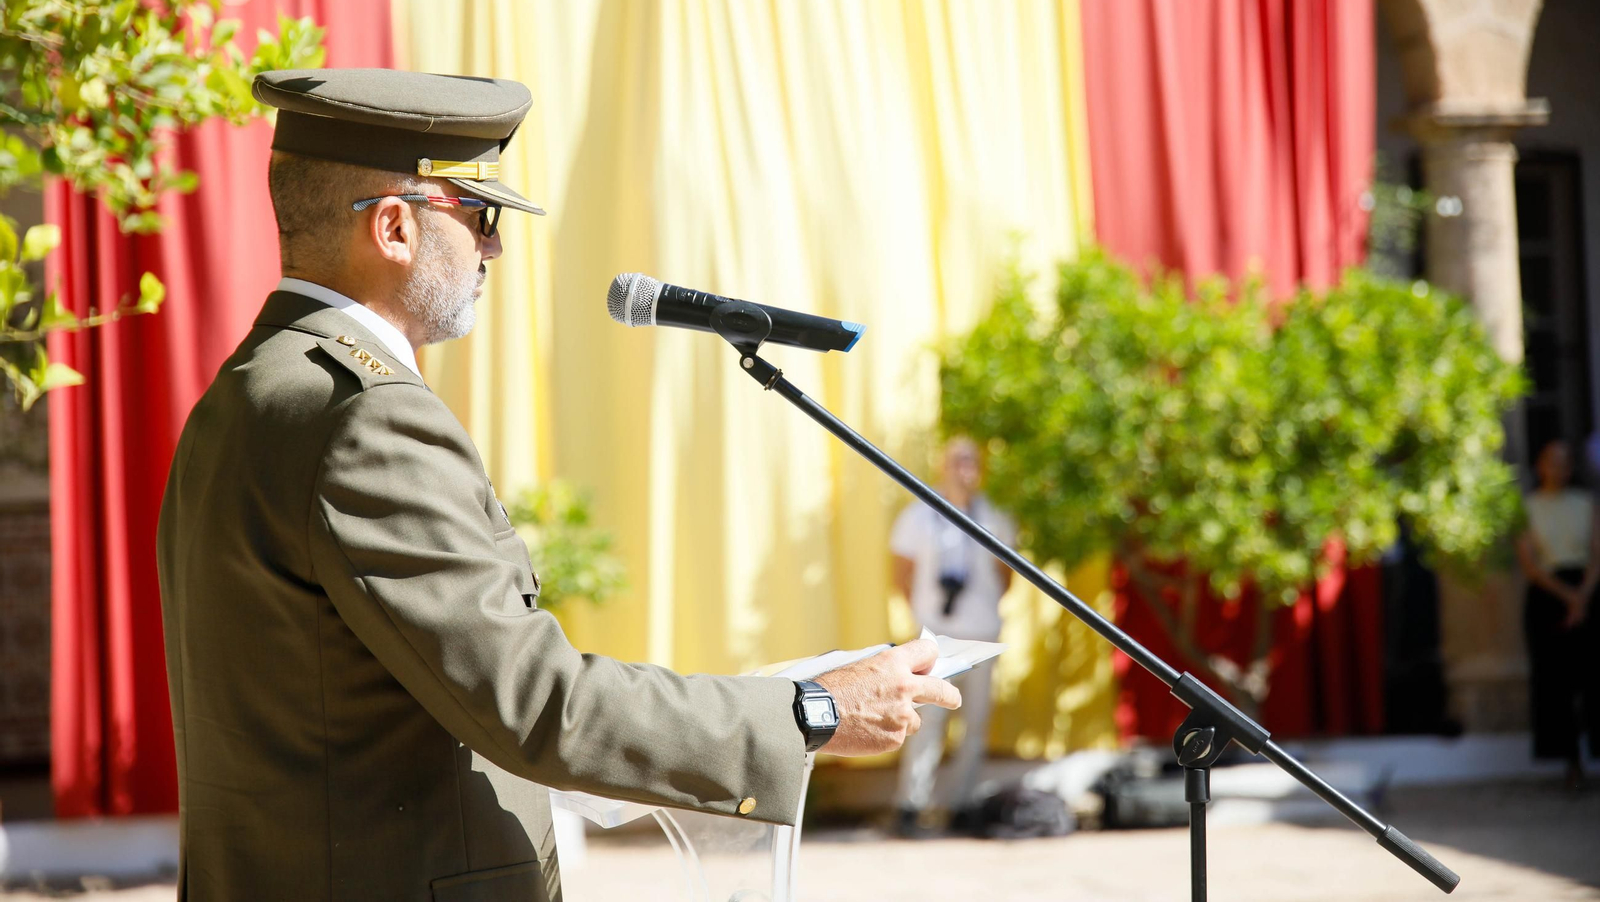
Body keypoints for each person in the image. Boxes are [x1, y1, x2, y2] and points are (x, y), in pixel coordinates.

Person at [155, 68, 961, 901]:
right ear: (394, 227)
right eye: (480, 214)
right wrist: (808, 713)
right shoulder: (367, 419)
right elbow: (538, 705)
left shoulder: (251, 389)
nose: (494, 247)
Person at [888, 435, 1015, 834]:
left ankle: (961, 804)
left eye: (972, 460)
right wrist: (926, 616)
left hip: (981, 633)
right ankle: (912, 804)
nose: (965, 468)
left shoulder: (995, 517)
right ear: (942, 465)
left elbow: (1005, 575)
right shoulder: (918, 515)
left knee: (975, 723)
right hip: (935, 636)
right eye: (958, 460)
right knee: (925, 722)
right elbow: (901, 575)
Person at [1515, 438, 1600, 789]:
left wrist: (1583, 597)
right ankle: (1569, 761)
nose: (1559, 469)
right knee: (1555, 681)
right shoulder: (1528, 507)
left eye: (1565, 462)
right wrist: (1569, 598)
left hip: (1588, 590)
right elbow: (1531, 565)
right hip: (1548, 595)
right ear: (1540, 466)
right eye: (1552, 461)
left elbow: (1596, 553)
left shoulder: (1585, 503)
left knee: (1592, 677)